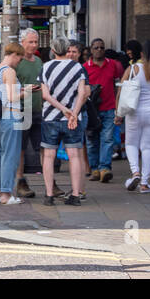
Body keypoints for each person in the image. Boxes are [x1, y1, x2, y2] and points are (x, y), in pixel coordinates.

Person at [39, 37, 87, 206]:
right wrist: (73, 112)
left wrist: (62, 109)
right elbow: (82, 93)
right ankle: (75, 195)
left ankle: (49, 195)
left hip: (51, 118)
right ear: (67, 50)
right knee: (74, 155)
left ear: (53, 49)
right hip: (72, 120)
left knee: (49, 156)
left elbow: (45, 95)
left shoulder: (45, 67)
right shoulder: (77, 67)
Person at [119, 40, 150, 194]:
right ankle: (145, 183)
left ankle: (135, 173)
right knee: (148, 147)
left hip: (134, 111)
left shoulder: (132, 69)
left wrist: (118, 113)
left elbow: (121, 91)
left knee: (131, 143)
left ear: (141, 54)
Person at [0, 42, 26, 205]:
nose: (20, 61)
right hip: (10, 117)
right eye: (20, 58)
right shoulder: (9, 71)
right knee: (10, 156)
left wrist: (22, 90)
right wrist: (28, 92)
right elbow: (11, 97)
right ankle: (6, 194)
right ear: (15, 54)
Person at [84, 39, 122, 183]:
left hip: (109, 107)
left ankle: (105, 168)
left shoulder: (113, 65)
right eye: (96, 48)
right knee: (92, 140)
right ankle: (94, 169)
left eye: (101, 47)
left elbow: (118, 85)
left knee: (107, 139)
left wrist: (119, 106)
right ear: (91, 50)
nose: (99, 50)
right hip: (91, 110)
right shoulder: (85, 67)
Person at [14, 27, 43, 199]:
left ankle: (49, 182)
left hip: (38, 110)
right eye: (30, 42)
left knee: (44, 148)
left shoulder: (39, 61)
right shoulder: (17, 62)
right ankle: (20, 181)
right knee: (21, 149)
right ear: (22, 43)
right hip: (22, 110)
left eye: (36, 42)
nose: (34, 45)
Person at [66, 41, 91, 191]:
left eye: (74, 52)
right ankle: (77, 187)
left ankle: (79, 188)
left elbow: (86, 92)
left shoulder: (80, 69)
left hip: (77, 114)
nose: (71, 54)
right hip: (68, 114)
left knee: (78, 150)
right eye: (68, 51)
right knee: (74, 151)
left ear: (80, 54)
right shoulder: (64, 67)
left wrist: (75, 112)